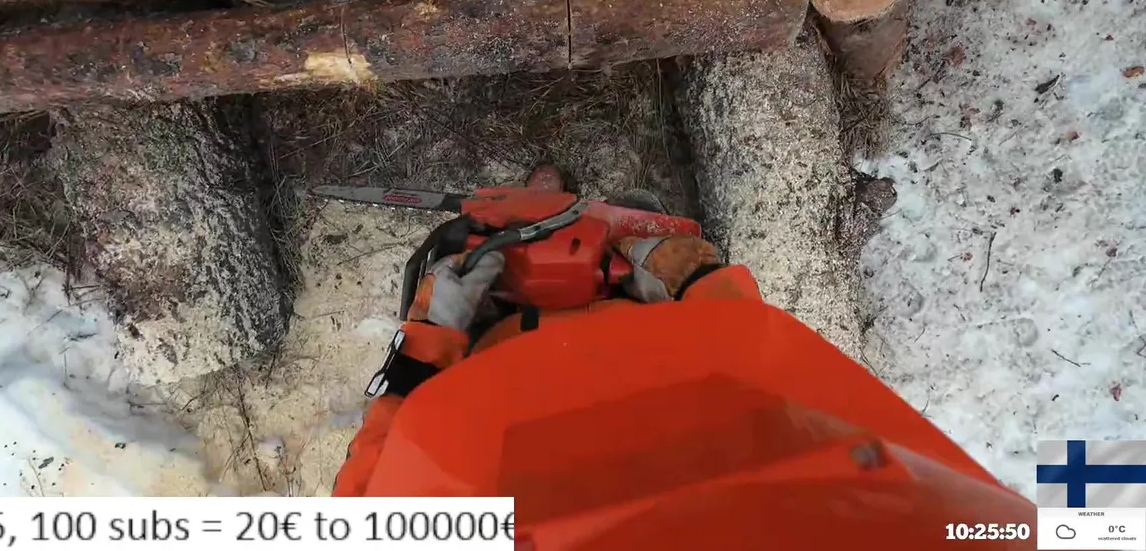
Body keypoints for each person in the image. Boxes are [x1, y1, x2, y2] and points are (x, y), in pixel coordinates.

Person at [333, 181, 1036, 549]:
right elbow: (798, 398)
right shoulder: (947, 527)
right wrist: (705, 287)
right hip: (674, 364)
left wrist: (427, 343)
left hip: (507, 380)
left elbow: (380, 492)